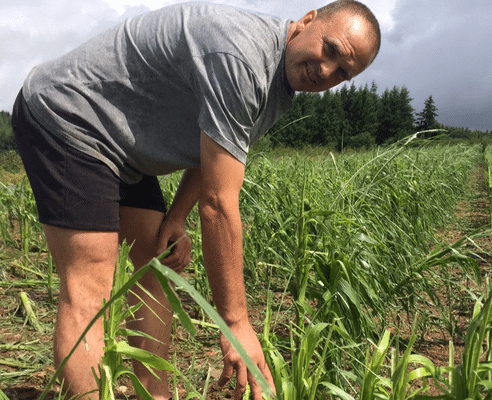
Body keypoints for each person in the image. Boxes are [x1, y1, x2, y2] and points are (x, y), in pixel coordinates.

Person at [11, 0, 380, 399]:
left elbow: (214, 150)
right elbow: (219, 203)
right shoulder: (241, 55)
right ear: (307, 21)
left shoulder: (280, 83)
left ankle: (156, 395)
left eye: (343, 72)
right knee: (90, 284)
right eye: (330, 50)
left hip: (125, 144)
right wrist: (235, 322)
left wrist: (176, 216)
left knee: (155, 272)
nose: (326, 71)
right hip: (68, 116)